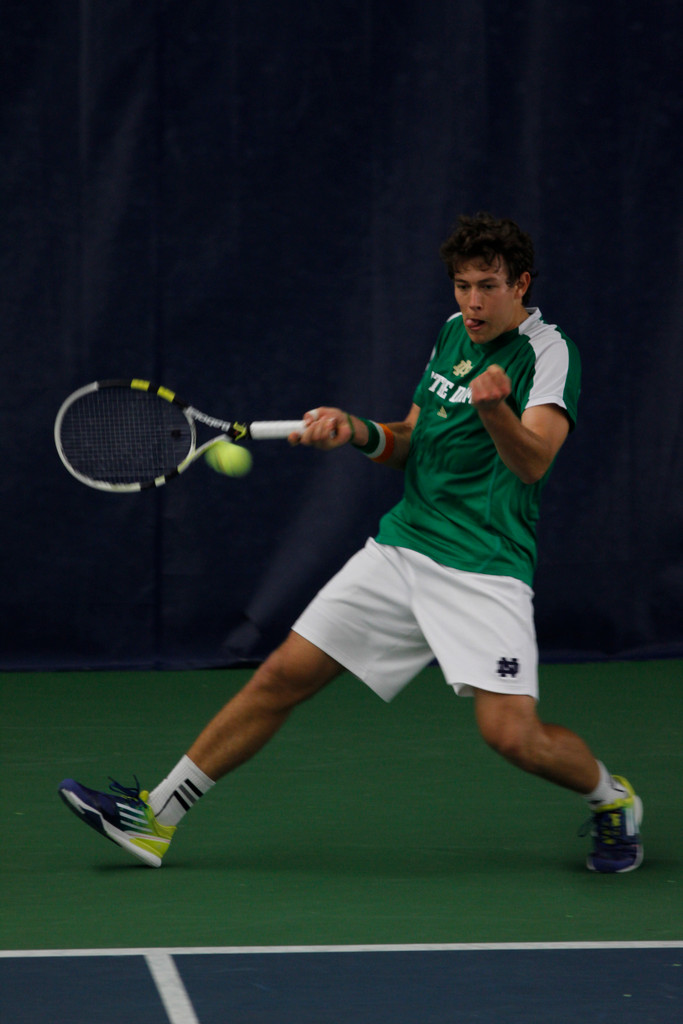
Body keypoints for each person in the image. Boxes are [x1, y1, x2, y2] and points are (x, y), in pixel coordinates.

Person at [58, 213, 643, 874]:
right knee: (281, 674)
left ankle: (610, 799)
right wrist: (355, 431)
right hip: (402, 549)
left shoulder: (548, 351)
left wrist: (493, 409)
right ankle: (156, 818)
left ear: (520, 284)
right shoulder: (453, 334)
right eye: (460, 285)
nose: (472, 302)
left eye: (487, 286)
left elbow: (533, 461)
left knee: (511, 737)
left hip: (483, 568)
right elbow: (409, 440)